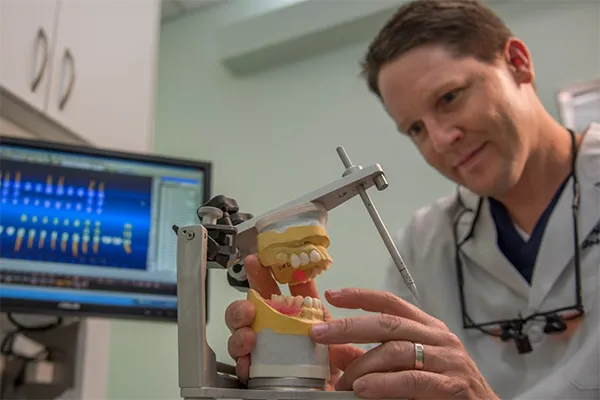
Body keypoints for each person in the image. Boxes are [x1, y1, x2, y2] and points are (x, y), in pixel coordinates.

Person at [225, 0, 600, 398]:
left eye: (449, 98)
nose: (440, 139)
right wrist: (327, 382)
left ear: (518, 62)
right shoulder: (424, 244)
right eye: (416, 129)